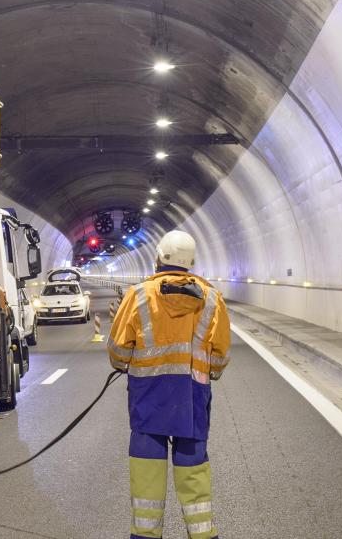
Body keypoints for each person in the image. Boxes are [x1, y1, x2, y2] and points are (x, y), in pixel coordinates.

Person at [107, 230, 230, 539]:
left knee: (147, 480)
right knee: (194, 475)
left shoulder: (137, 296)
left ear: (158, 257)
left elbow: (118, 353)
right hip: (192, 398)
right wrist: (207, 370)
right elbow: (220, 356)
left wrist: (128, 363)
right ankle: (203, 535)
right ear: (191, 262)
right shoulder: (212, 298)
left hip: (148, 401)